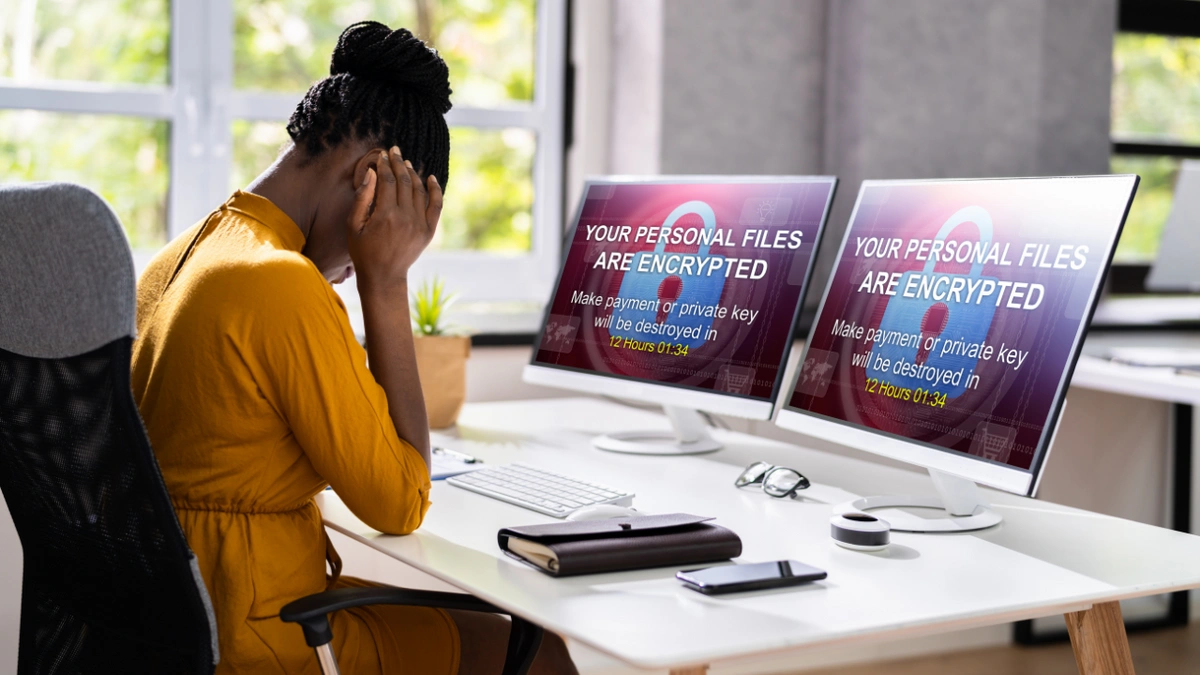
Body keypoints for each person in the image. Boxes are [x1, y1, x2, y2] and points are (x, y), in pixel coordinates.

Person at [131, 21, 577, 674]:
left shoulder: (184, 253)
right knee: (538, 651)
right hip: (260, 633)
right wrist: (386, 279)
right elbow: (399, 502)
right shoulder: (280, 283)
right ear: (372, 181)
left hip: (178, 616)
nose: (345, 268)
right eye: (401, 220)